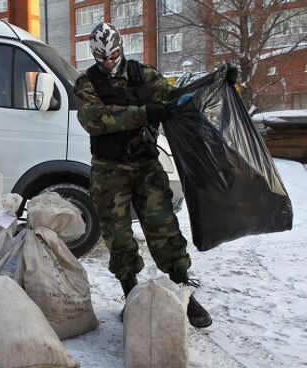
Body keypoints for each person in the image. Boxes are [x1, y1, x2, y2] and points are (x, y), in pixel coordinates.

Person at [73, 22, 238, 328]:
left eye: (113, 55)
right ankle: (132, 294)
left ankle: (184, 291)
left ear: (121, 49)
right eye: (102, 57)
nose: (109, 63)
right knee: (118, 237)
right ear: (94, 54)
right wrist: (145, 113)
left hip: (146, 165)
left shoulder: (142, 74)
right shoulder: (86, 83)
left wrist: (216, 81)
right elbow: (94, 119)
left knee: (164, 228)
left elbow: (178, 97)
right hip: (109, 170)